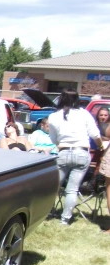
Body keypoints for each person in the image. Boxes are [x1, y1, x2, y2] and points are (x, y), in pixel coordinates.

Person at [48, 88, 105, 225]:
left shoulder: (54, 116)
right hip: (81, 152)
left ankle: (47, 212)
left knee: (54, 186)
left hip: (63, 152)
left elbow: (53, 139)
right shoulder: (84, 114)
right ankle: (65, 218)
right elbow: (95, 134)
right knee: (72, 189)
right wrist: (101, 146)